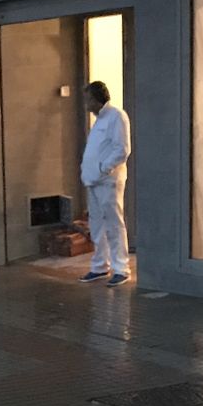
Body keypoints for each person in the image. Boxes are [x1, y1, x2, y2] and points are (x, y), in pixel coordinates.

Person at [79, 81, 132, 286]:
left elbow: (122, 149)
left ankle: (121, 268)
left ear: (96, 99)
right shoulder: (99, 120)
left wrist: (104, 168)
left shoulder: (116, 117)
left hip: (108, 182)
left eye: (88, 100)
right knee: (97, 225)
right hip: (93, 181)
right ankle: (100, 266)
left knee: (113, 224)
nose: (86, 104)